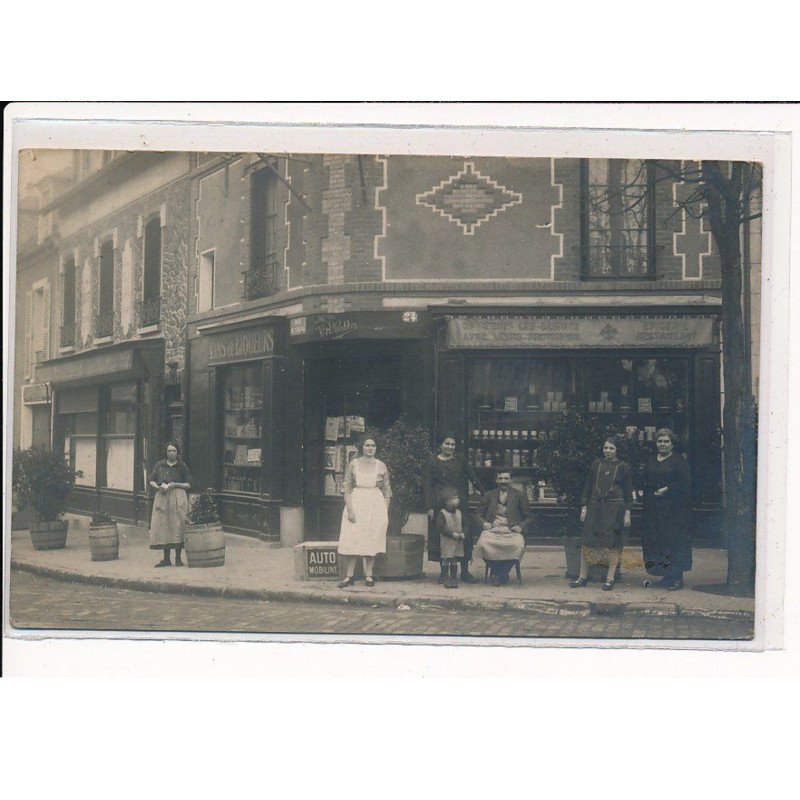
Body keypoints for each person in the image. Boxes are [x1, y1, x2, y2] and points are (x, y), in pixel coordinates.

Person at [569, 435, 633, 591]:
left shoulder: (623, 467)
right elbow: (588, 486)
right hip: (595, 507)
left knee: (613, 543)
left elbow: (628, 493)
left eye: (611, 448)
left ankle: (610, 578)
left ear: (617, 450)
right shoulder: (596, 464)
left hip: (615, 509)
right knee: (588, 541)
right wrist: (584, 507)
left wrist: (627, 513)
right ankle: (582, 577)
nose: (608, 451)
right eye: (606, 448)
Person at [424, 433, 485, 584]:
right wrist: (429, 507)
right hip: (439, 504)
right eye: (447, 443)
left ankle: (465, 572)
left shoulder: (460, 459)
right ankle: (443, 574)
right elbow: (426, 485)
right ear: (440, 445)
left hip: (459, 502)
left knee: (463, 534)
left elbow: (472, 476)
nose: (450, 447)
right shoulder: (432, 461)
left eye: (453, 444)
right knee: (443, 537)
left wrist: (484, 492)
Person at [641, 428, 692, 590]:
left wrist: (667, 489)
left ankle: (677, 577)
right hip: (654, 508)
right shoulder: (651, 460)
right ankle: (666, 575)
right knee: (658, 541)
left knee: (674, 541)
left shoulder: (679, 461)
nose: (662, 444)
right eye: (659, 441)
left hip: (674, 510)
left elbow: (685, 484)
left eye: (666, 441)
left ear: (672, 443)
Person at [337, 435, 391, 588]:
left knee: (371, 538)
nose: (370, 448)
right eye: (367, 445)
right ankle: (349, 576)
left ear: (376, 448)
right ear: (362, 447)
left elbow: (387, 490)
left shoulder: (381, 465)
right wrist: (350, 509)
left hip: (375, 504)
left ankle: (369, 575)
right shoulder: (353, 464)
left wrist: (384, 511)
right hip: (357, 502)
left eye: (373, 446)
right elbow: (346, 488)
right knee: (352, 538)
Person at [473, 470, 529, 585]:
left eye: (506, 478)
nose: (503, 481)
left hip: (511, 529)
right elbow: (477, 514)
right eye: (500, 478)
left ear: (511, 480)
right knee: (483, 544)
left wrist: (520, 526)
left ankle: (501, 573)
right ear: (496, 480)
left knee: (518, 545)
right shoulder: (489, 494)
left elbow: (528, 517)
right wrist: (484, 523)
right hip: (492, 529)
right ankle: (498, 572)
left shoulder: (519, 495)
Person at [148, 442, 192, 567]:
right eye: (169, 451)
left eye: (174, 451)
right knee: (164, 525)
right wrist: (158, 487)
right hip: (163, 496)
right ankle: (166, 559)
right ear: (166, 452)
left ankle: (178, 558)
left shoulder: (182, 466)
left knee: (177, 525)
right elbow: (151, 480)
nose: (171, 453)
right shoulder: (159, 465)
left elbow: (188, 484)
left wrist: (176, 485)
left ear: (177, 452)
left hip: (178, 497)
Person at [434, 488, 466, 589]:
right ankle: (444, 577)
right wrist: (451, 534)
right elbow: (440, 527)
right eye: (455, 498)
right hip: (447, 540)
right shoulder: (442, 513)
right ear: (447, 501)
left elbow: (465, 524)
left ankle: (453, 578)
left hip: (457, 540)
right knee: (446, 558)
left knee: (454, 558)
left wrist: (463, 533)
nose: (458, 500)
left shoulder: (459, 512)